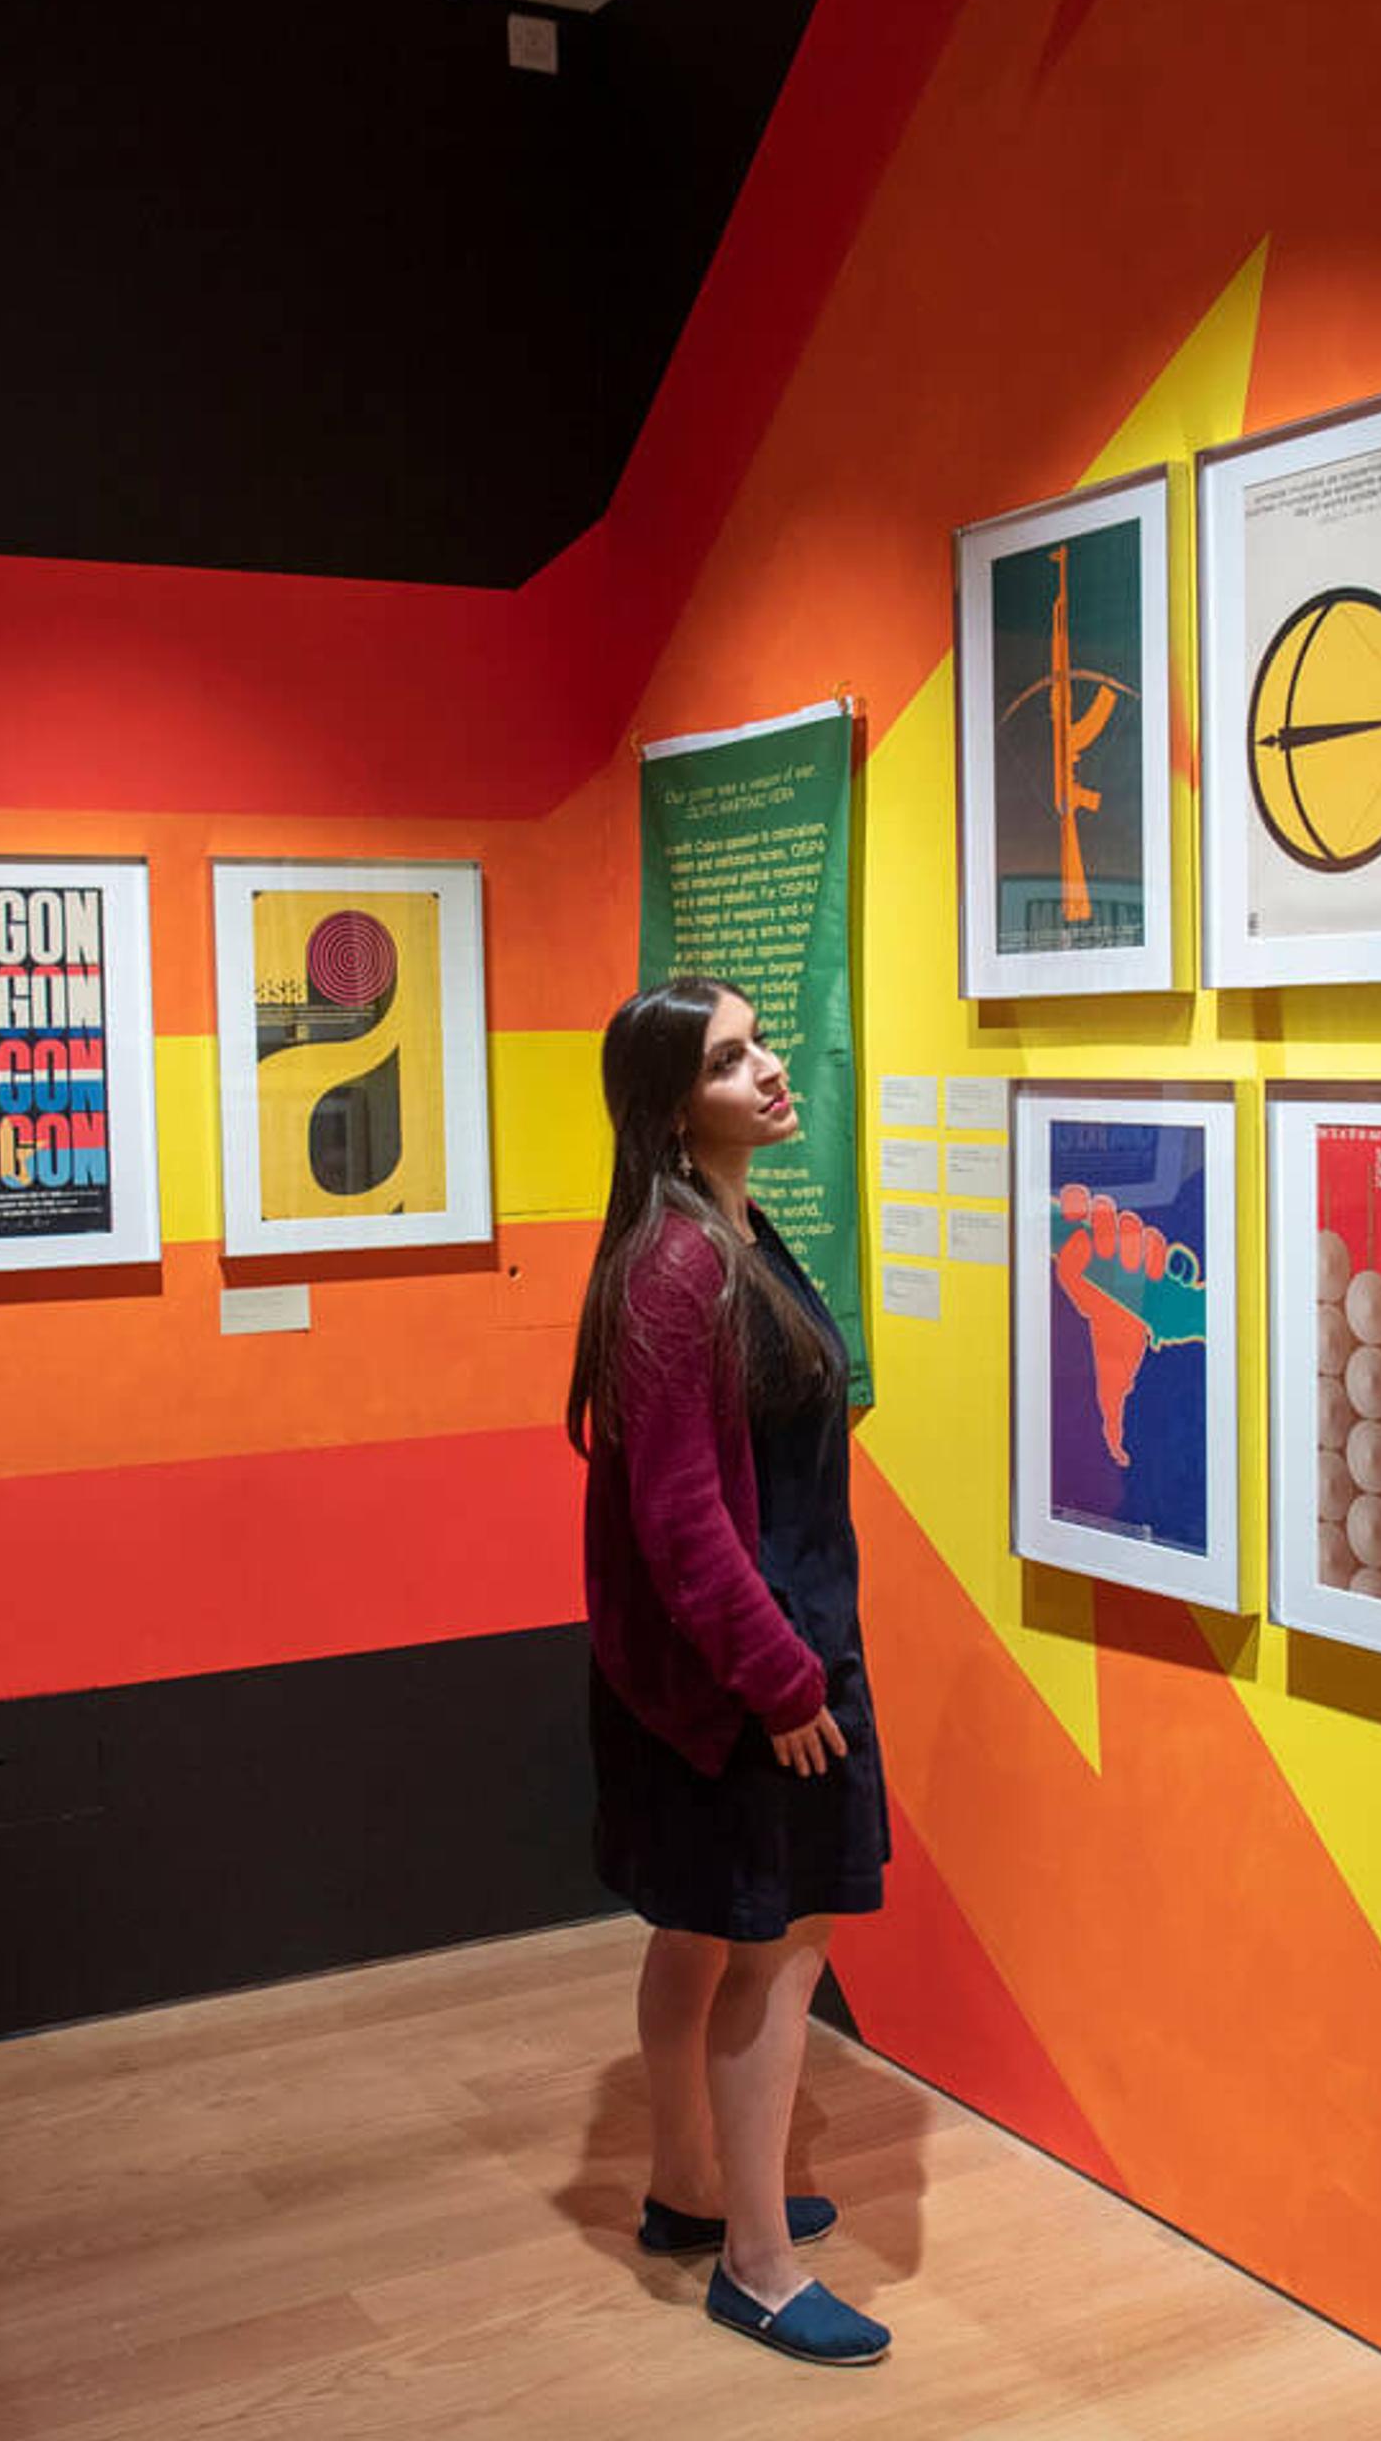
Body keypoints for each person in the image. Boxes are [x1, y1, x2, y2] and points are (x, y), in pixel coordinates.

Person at [566, 976, 892, 2369]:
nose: (767, 1071)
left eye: (761, 1044)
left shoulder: (719, 1231)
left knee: (701, 1932)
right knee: (779, 1941)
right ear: (668, 1106)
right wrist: (783, 1682)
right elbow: (685, 1521)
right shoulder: (681, 1265)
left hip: (739, 1664)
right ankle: (755, 2267)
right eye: (729, 1059)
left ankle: (689, 2193)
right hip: (751, 1678)